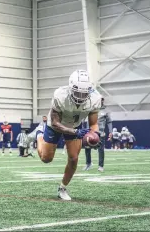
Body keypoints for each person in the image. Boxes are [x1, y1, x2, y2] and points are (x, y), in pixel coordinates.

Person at [35, 70, 102, 201]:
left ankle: (62, 188)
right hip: (56, 125)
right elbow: (55, 123)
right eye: (77, 93)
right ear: (71, 88)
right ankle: (39, 134)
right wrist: (75, 132)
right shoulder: (60, 95)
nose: (81, 96)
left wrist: (95, 135)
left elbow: (94, 124)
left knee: (74, 158)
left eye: (84, 93)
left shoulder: (95, 98)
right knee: (46, 158)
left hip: (75, 125)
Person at [83, 97, 112, 172]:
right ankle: (88, 163)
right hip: (90, 133)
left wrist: (110, 132)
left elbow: (109, 122)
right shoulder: (90, 109)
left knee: (101, 150)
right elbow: (85, 119)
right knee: (87, 148)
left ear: (103, 101)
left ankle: (100, 166)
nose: (100, 101)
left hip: (100, 133)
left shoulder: (106, 110)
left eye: (101, 100)